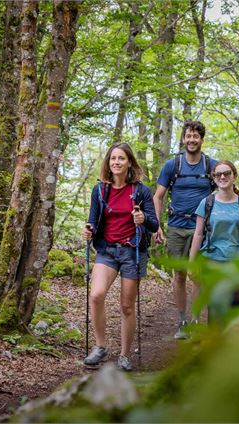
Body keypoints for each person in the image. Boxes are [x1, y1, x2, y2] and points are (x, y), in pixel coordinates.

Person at [82, 142, 158, 371]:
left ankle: (125, 355)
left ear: (129, 163)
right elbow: (93, 221)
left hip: (132, 251)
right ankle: (100, 347)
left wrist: (143, 218)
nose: (116, 162)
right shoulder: (100, 190)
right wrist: (89, 230)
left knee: (126, 306)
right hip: (107, 250)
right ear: (108, 162)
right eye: (113, 158)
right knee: (96, 295)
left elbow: (154, 225)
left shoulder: (141, 191)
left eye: (121, 158)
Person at [153, 120, 218, 339]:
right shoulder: (173, 165)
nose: (192, 140)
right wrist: (157, 225)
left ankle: (195, 319)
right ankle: (182, 320)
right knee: (179, 274)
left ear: (201, 139)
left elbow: (225, 195)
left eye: (196, 136)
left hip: (202, 229)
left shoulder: (211, 166)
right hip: (176, 228)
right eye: (188, 136)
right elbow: (158, 196)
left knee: (197, 275)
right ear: (183, 139)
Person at [188, 160, 239, 318]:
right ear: (213, 178)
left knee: (234, 309)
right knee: (215, 309)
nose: (223, 177)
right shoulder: (207, 203)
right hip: (212, 261)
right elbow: (198, 235)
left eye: (227, 173)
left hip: (237, 262)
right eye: (218, 174)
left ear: (234, 176)